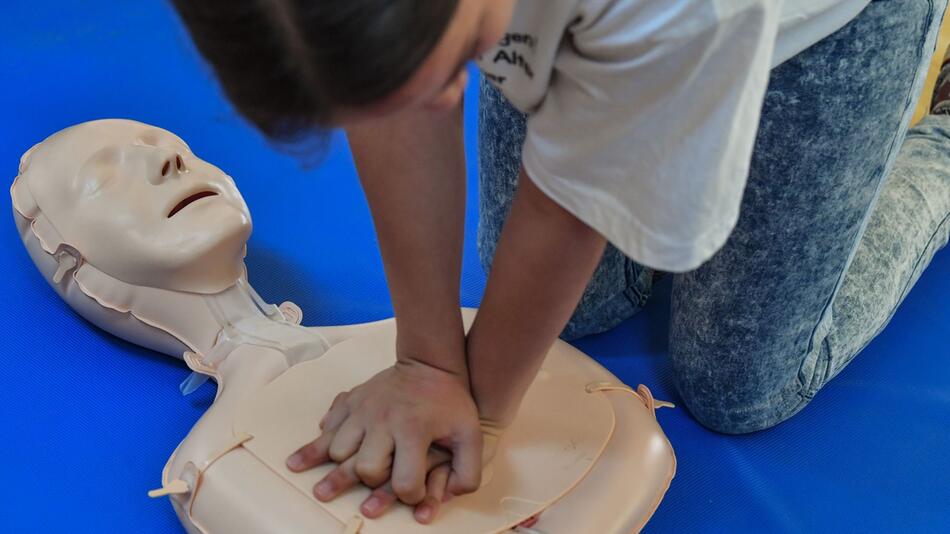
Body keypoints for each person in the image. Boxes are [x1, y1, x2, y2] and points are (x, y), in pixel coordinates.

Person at [171, 0, 950, 525]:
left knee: (740, 387)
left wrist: (482, 410)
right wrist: (427, 361)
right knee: (574, 313)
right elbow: (387, 91)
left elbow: (570, 202)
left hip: (825, 21)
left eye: (453, 69)